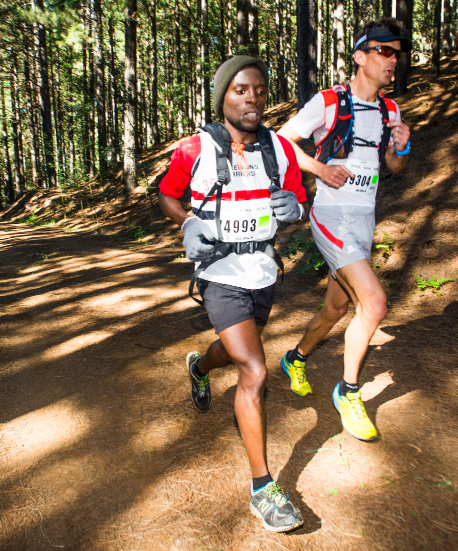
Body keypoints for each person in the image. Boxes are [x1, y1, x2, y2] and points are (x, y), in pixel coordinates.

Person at [158, 55, 307, 533]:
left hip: (263, 271)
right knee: (255, 368)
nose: (253, 99)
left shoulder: (280, 149)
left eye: (260, 90)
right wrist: (189, 222)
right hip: (219, 271)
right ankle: (263, 488)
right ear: (223, 95)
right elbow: (167, 193)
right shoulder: (193, 149)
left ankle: (199, 367)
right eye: (241, 90)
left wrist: (295, 208)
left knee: (233, 353)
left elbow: (297, 198)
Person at [276, 19, 412, 442]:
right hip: (331, 218)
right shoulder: (329, 101)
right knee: (373, 306)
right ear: (359, 55)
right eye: (383, 51)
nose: (392, 60)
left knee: (336, 309)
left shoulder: (390, 110)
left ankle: (295, 358)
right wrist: (319, 168)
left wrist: (402, 147)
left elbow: (394, 168)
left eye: (396, 53)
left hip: (364, 220)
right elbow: (283, 140)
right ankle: (348, 391)